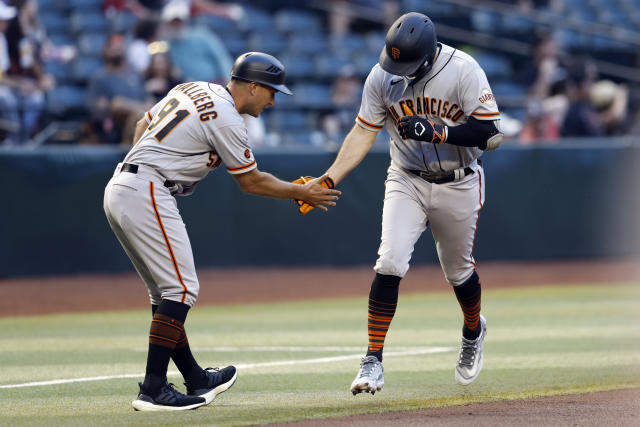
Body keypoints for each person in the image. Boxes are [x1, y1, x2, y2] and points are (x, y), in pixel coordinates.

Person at [103, 51, 341, 411]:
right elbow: (250, 181)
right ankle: (152, 388)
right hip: (147, 188)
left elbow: (142, 124)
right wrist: (300, 190)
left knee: (166, 293)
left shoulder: (193, 86)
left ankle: (196, 378)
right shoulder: (229, 118)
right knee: (182, 290)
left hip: (123, 183)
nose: (275, 99)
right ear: (251, 86)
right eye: (271, 90)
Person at [298, 12, 502, 394]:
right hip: (406, 176)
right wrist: (329, 177)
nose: (399, 70)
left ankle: (473, 330)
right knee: (390, 261)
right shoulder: (381, 75)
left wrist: (440, 132)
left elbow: (491, 134)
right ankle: (372, 360)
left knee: (458, 273)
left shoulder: (463, 69)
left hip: (458, 181)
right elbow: (362, 131)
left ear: (427, 55)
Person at [87, 33, 152, 143]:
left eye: (119, 46)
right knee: (137, 115)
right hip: (116, 128)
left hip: (142, 121)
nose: (117, 49)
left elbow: (150, 102)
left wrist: (134, 107)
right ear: (106, 51)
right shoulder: (99, 78)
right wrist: (140, 109)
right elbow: (112, 106)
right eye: (113, 46)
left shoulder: (135, 75)